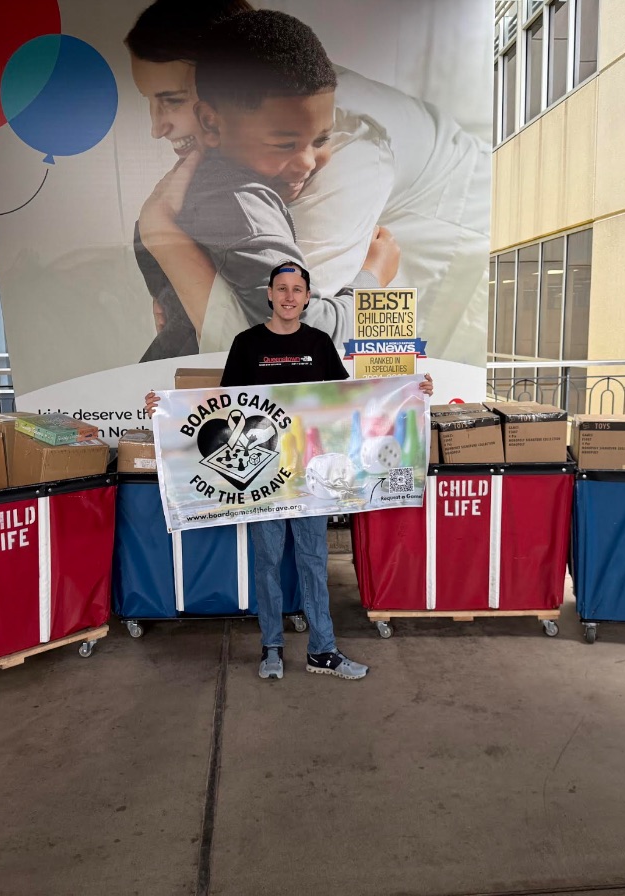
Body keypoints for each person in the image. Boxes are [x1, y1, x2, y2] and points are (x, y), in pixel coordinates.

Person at [126, 0, 489, 364]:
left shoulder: (344, 145)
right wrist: (177, 294)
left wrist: (169, 246)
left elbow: (292, 347)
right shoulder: (257, 140)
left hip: (451, 244)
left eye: (172, 101)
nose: (157, 128)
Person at [146, 260, 434, 681]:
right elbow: (222, 411)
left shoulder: (319, 344)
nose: (288, 296)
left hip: (311, 479)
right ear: (269, 294)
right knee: (266, 561)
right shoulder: (246, 344)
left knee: (314, 560)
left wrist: (413, 391)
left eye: (297, 289)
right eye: (281, 288)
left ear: (307, 296)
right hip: (263, 480)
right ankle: (272, 648)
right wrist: (164, 410)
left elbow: (350, 400)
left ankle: (323, 650)